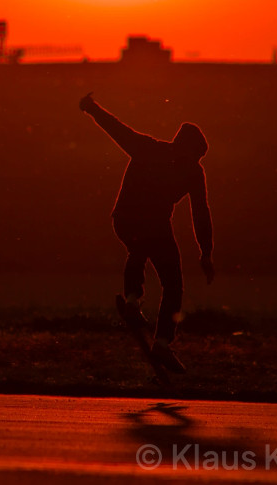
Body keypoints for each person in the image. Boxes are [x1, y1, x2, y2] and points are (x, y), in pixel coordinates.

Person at [79, 92, 214, 372]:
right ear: (183, 147)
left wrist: (206, 251)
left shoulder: (182, 167)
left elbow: (200, 213)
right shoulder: (155, 151)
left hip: (142, 225)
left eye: (198, 159)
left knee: (166, 275)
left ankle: (152, 330)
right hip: (135, 222)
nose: (194, 163)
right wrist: (92, 109)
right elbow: (117, 129)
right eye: (194, 156)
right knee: (145, 251)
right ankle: (140, 312)